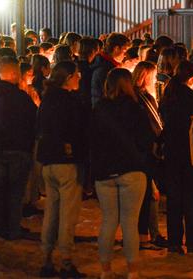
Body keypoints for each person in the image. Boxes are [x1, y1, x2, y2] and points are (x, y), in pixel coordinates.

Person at [92, 68, 154, 279]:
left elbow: (91, 140)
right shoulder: (135, 109)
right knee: (130, 222)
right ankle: (132, 270)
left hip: (105, 172)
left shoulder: (99, 108)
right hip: (132, 169)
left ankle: (105, 269)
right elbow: (147, 139)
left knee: (108, 221)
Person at [36, 61, 86, 278]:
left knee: (51, 212)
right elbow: (80, 131)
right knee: (68, 215)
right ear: (68, 77)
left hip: (48, 161)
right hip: (67, 162)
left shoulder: (47, 100)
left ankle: (46, 258)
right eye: (77, 75)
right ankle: (66, 260)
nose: (80, 78)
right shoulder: (71, 102)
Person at [160, 60, 193, 255]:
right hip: (192, 154)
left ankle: (174, 242)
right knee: (192, 198)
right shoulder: (192, 98)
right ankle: (192, 242)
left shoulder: (168, 96)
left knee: (174, 199)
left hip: (171, 154)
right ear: (192, 78)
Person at [0, 56, 38, 240]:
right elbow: (33, 118)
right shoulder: (20, 97)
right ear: (13, 73)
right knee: (16, 192)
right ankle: (13, 228)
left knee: (1, 189)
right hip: (18, 147)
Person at [132, 61, 167, 250]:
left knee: (151, 194)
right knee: (150, 194)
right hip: (145, 153)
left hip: (147, 151)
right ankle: (147, 235)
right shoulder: (141, 99)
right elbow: (150, 125)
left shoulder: (143, 97)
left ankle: (151, 234)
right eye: (152, 76)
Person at [91, 33, 130, 107]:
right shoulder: (106, 70)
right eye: (124, 51)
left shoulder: (105, 64)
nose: (125, 55)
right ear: (116, 48)